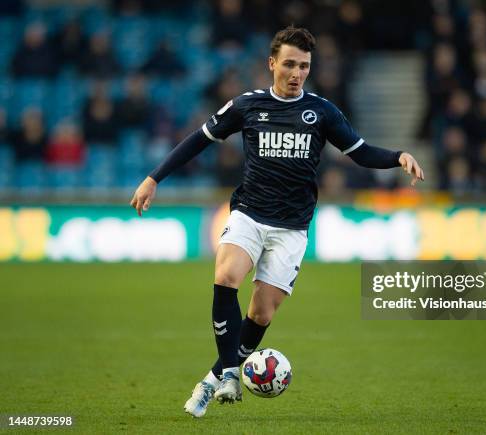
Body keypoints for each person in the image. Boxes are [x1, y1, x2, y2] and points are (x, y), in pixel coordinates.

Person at [130, 26, 424, 418]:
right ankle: (232, 373)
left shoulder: (322, 112)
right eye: (289, 64)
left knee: (261, 314)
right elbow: (198, 140)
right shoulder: (247, 105)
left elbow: (362, 152)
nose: (296, 72)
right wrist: (154, 178)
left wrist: (398, 156)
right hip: (249, 213)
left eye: (303, 66)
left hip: (292, 227)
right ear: (272, 64)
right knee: (226, 277)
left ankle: (211, 380)